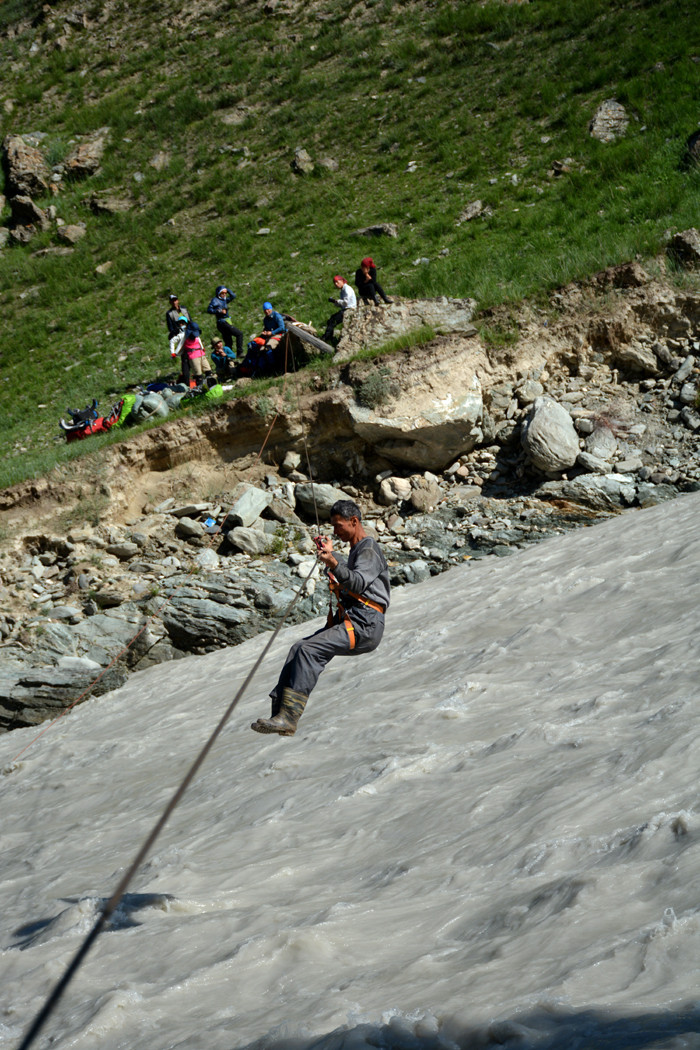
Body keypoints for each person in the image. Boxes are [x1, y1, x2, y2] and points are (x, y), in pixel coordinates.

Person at [251, 500, 390, 737]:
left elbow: (356, 581)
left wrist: (333, 562)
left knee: (309, 650)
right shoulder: (358, 550)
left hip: (365, 624)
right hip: (356, 620)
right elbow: (349, 574)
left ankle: (289, 718)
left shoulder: (368, 549)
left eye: (338, 526)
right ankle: (279, 714)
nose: (335, 531)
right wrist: (331, 554)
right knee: (298, 648)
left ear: (354, 522)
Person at [239, 302, 288, 377]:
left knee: (268, 348)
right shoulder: (265, 319)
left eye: (268, 309)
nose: (267, 312)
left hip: (278, 334)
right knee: (255, 345)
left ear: (271, 309)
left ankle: (274, 369)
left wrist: (272, 332)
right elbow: (266, 328)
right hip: (269, 335)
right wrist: (265, 332)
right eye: (265, 310)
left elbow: (282, 327)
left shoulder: (276, 316)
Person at [207, 284, 243, 357]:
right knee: (239, 334)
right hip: (222, 322)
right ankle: (239, 352)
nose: (224, 294)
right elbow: (209, 310)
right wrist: (219, 311)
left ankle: (228, 357)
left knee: (228, 341)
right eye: (222, 293)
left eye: (225, 293)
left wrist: (226, 289)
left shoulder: (224, 300)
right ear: (218, 293)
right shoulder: (215, 300)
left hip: (225, 322)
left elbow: (233, 296)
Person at [323, 275, 357, 344]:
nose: (336, 284)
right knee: (331, 320)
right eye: (335, 283)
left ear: (342, 281)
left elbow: (346, 301)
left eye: (337, 282)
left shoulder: (347, 289)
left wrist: (338, 301)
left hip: (349, 309)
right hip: (346, 309)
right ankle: (328, 337)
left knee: (332, 320)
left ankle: (326, 337)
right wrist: (335, 302)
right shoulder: (342, 290)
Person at [181, 321, 214, 386]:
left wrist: (202, 348)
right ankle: (201, 387)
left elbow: (199, 342)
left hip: (201, 354)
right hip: (193, 356)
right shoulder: (184, 337)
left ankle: (211, 385)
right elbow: (179, 345)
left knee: (208, 370)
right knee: (198, 374)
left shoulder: (196, 337)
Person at [165, 294, 190, 359]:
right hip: (180, 333)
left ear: (178, 301)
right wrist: (176, 332)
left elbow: (190, 319)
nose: (174, 302)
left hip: (189, 331)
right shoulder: (169, 313)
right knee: (184, 352)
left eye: (175, 300)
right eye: (172, 301)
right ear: (170, 302)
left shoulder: (184, 309)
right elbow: (170, 327)